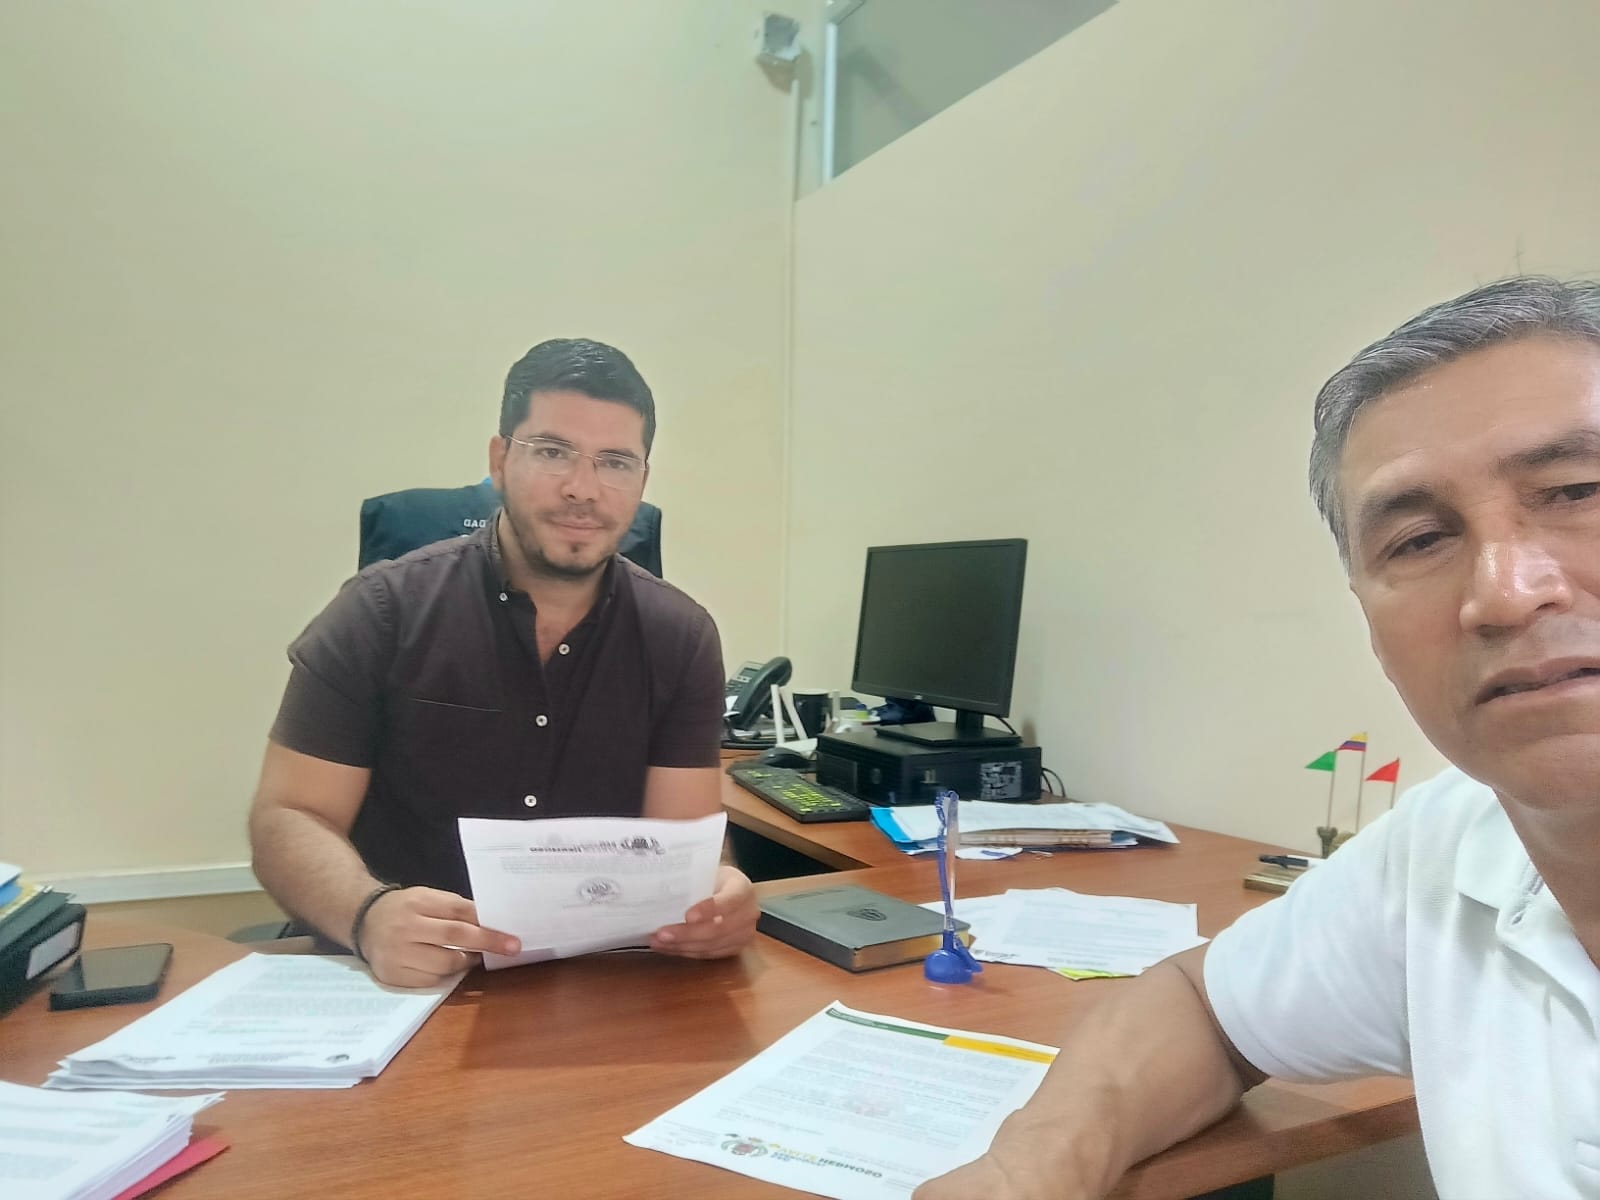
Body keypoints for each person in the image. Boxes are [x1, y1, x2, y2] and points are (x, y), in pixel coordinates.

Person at [915, 276, 1600, 1200]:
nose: (1505, 593)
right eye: (1418, 541)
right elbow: (1201, 1006)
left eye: (1576, 491)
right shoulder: (1451, 847)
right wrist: (1025, 1171)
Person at [249, 338, 759, 988]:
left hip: (595, 987)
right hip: (405, 984)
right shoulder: (380, 612)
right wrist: (366, 914)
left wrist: (720, 894)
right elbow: (289, 817)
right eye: (552, 451)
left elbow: (683, 844)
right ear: (500, 460)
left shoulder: (680, 637)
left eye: (615, 462)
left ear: (642, 482)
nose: (583, 489)